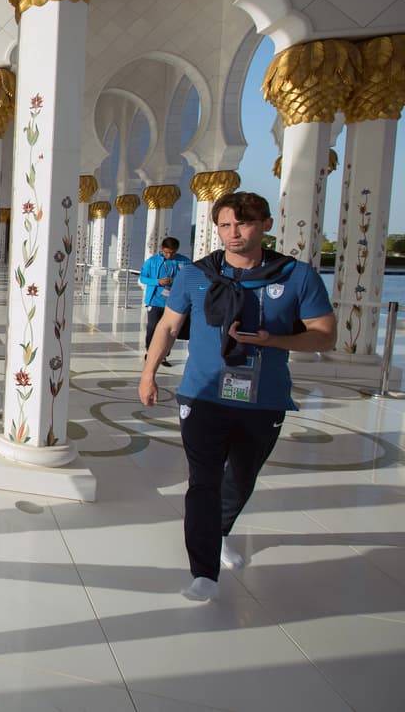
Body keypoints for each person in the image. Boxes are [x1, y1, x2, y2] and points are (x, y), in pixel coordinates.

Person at [139, 192, 335, 603]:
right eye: (225, 225)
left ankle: (222, 530)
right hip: (203, 393)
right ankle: (203, 571)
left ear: (265, 224)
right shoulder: (197, 274)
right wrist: (149, 373)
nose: (233, 234)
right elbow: (169, 327)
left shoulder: (296, 276)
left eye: (243, 225)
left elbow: (324, 333)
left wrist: (273, 340)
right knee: (203, 481)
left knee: (242, 478)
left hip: (262, 398)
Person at [138, 237, 191, 367]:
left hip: (175, 302)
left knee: (170, 331)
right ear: (162, 249)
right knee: (152, 327)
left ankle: (163, 355)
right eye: (166, 252)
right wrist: (157, 281)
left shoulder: (185, 262)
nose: (169, 255)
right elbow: (143, 277)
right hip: (155, 301)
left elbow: (191, 277)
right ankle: (150, 352)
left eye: (172, 253)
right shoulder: (152, 261)